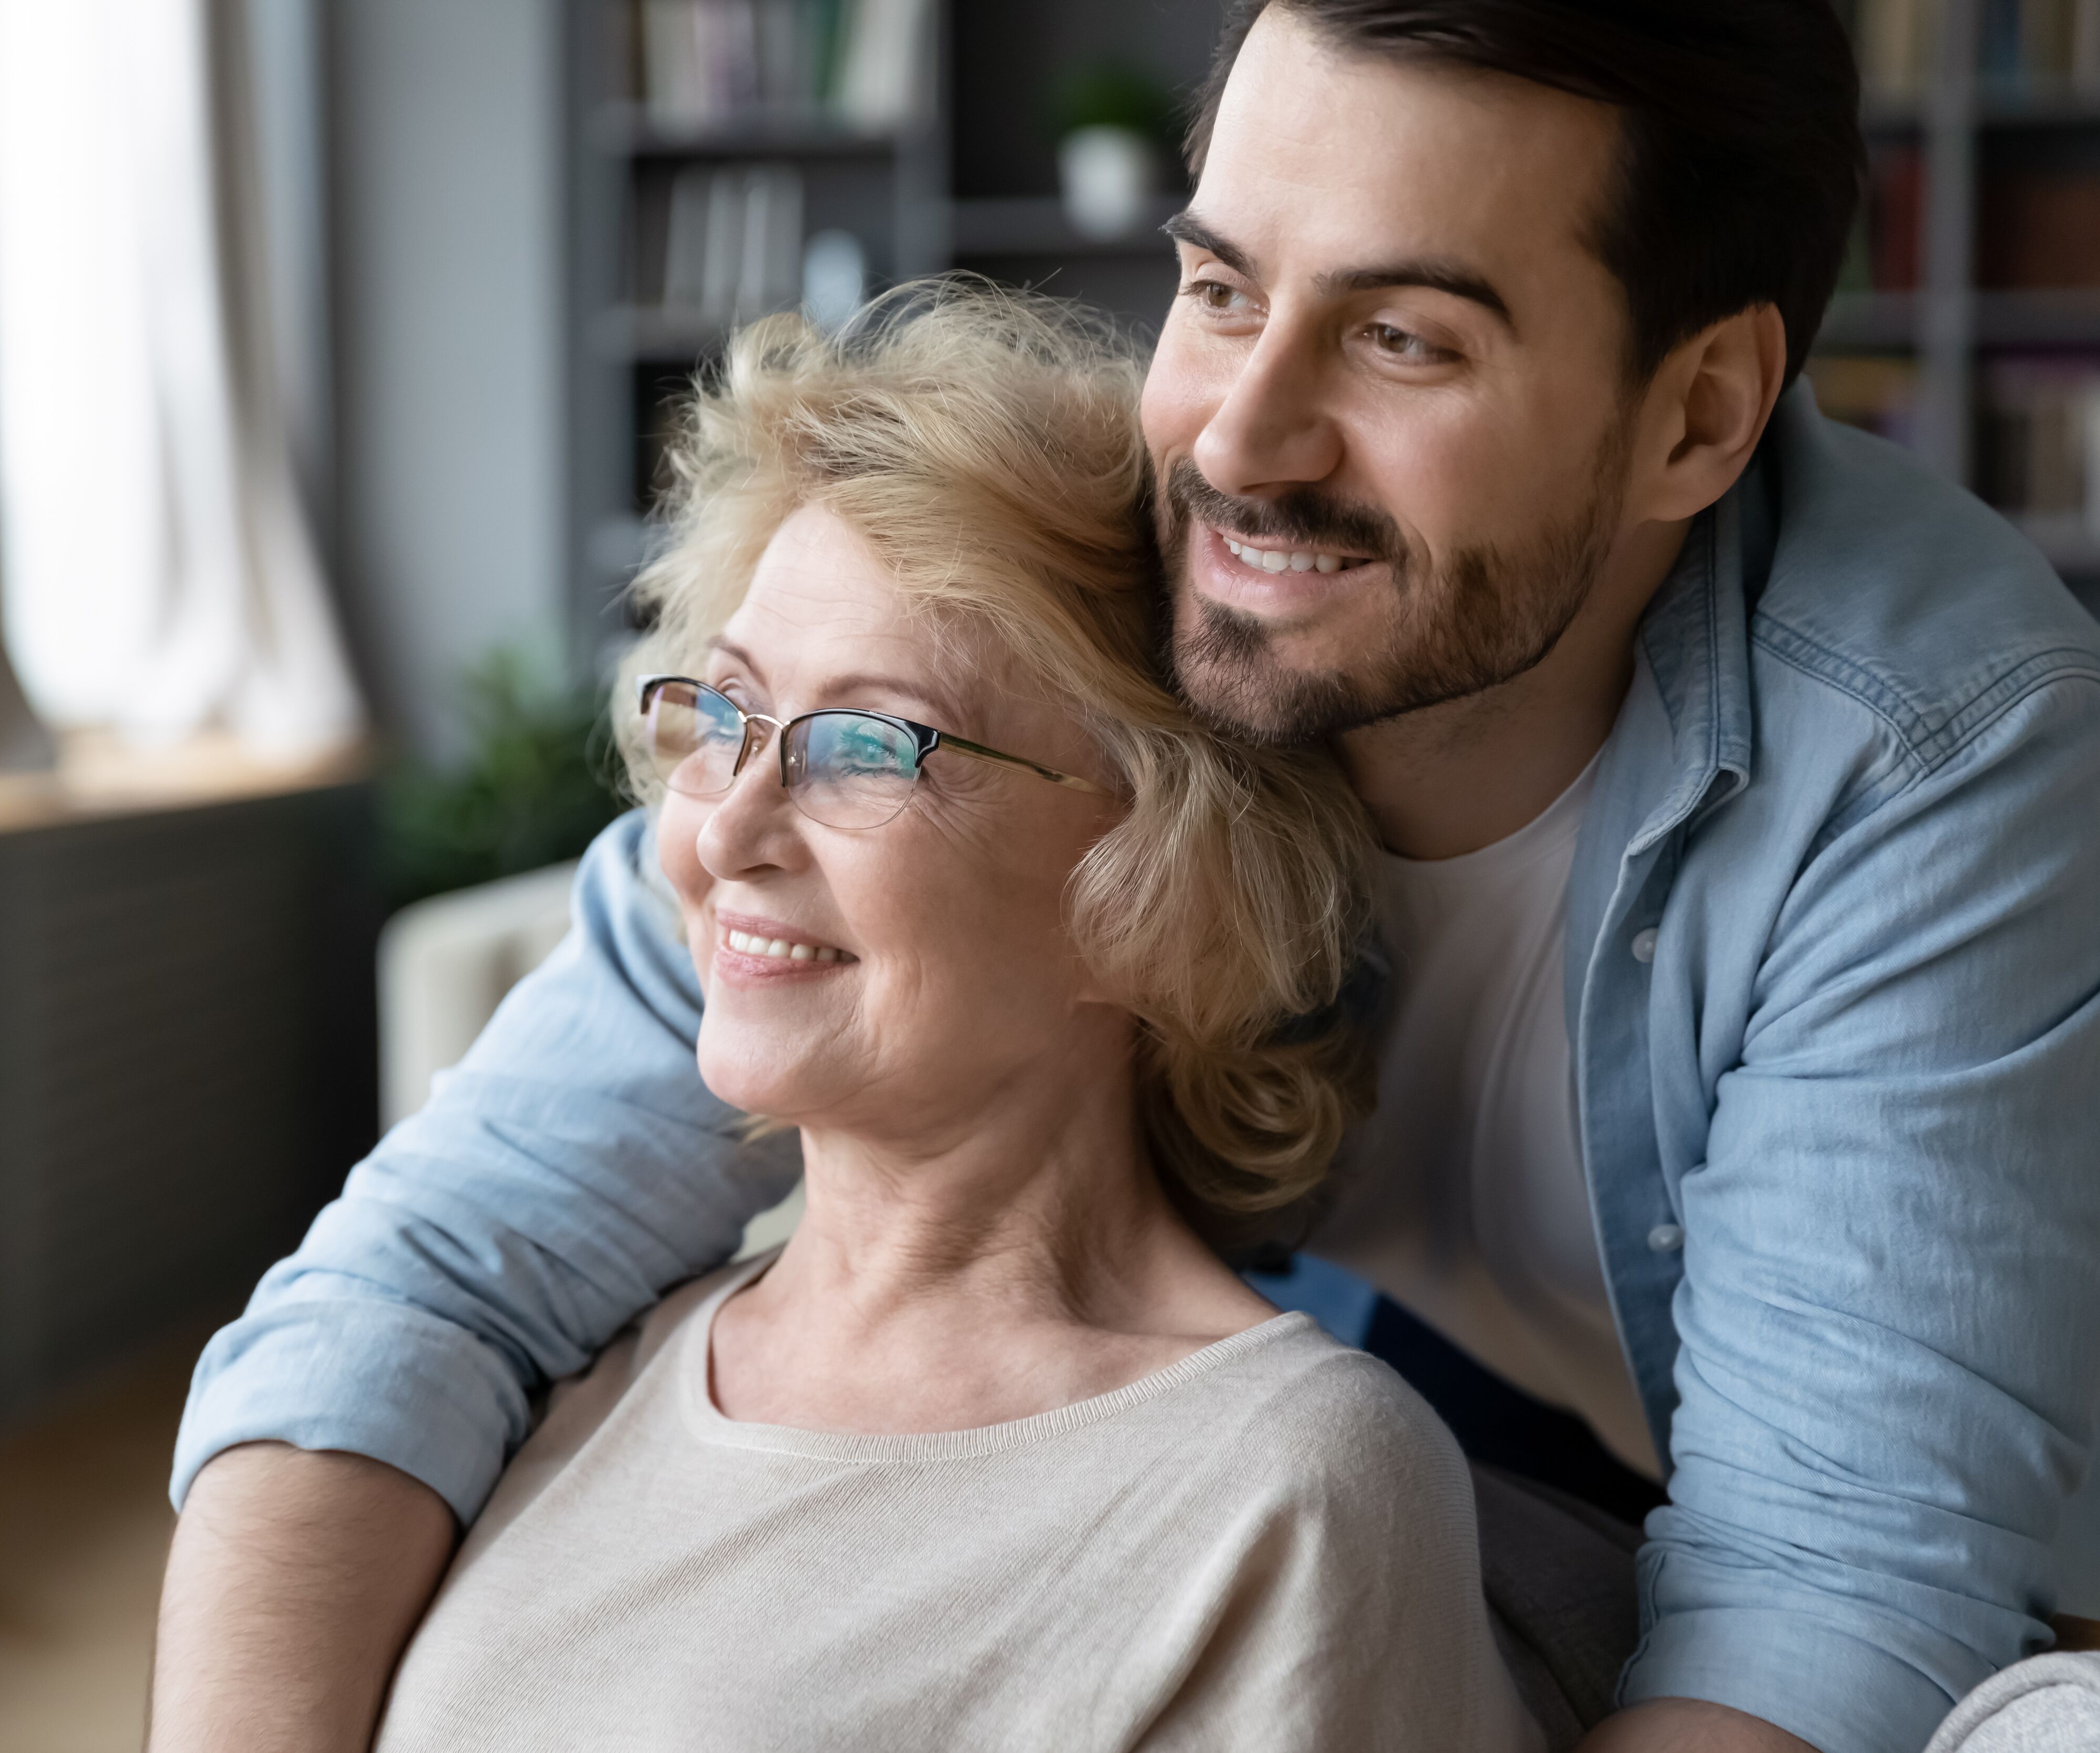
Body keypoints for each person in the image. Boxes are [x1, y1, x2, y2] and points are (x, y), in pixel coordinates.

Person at [149, 4, 2100, 1751]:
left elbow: (1831, 1596)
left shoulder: (1933, 744)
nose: (1236, 443)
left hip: (1789, 1502)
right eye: (1222, 287)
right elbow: (429, 1275)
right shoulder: (1130, 569)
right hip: (1393, 1399)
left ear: (1697, 413)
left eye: (1405, 335)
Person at [367, 288, 1534, 1751]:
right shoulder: (580, 1339)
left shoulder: (1282, 1486)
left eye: (866, 743)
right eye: (723, 713)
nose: (728, 828)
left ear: (1151, 888)